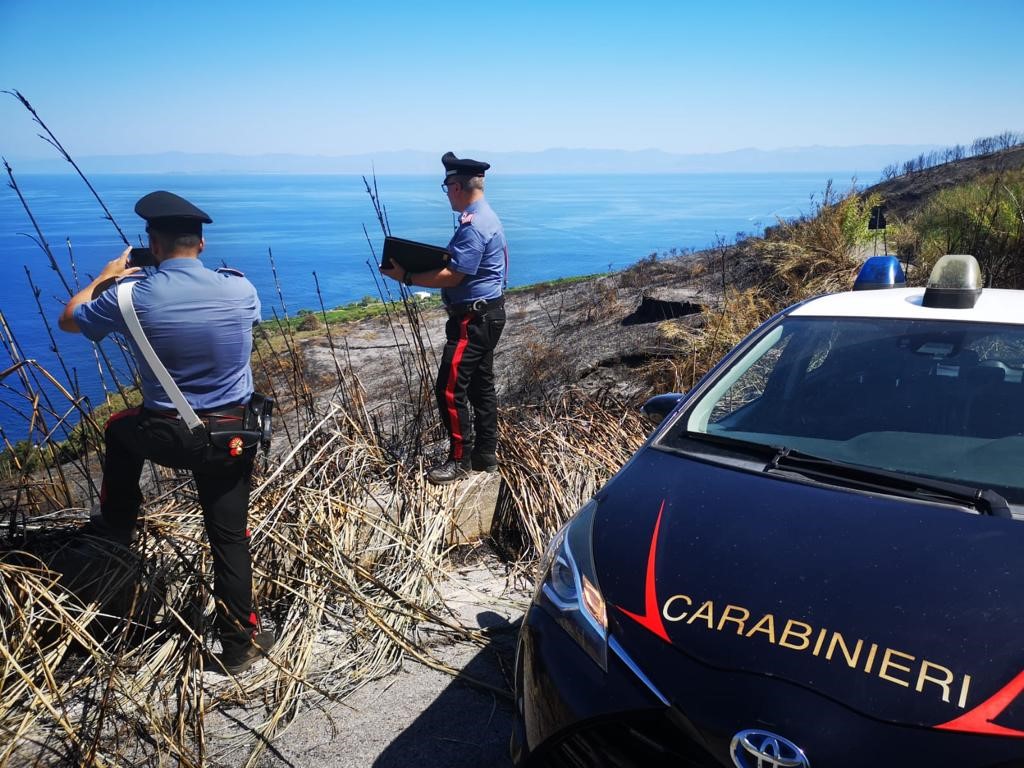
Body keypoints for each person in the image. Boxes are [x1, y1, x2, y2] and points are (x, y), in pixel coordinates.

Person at [57, 190, 273, 674]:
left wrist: (107, 277)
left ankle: (117, 523)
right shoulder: (241, 288)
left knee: (118, 429)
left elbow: (69, 319)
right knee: (229, 537)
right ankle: (239, 643)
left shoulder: (128, 296)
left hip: (167, 437)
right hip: (232, 436)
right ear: (200, 244)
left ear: (153, 245)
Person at [380, 152, 508, 484]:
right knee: (480, 387)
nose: (447, 193)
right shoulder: (483, 217)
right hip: (487, 314)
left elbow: (454, 275)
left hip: (473, 320)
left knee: (449, 389)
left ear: (457, 186)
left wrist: (407, 276)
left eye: (447, 186)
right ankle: (485, 455)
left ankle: (460, 461)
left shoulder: (474, 224)